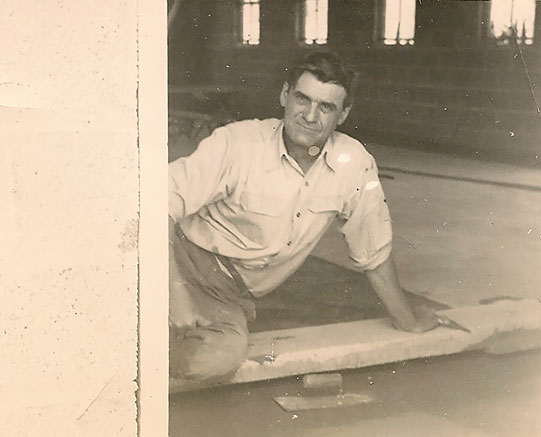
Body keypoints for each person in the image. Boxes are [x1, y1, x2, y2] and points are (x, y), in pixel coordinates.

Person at [168, 51, 438, 389]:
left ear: (343, 115)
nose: (310, 116)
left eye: (325, 107)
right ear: (284, 95)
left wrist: (407, 320)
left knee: (217, 360)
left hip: (227, 297)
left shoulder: (353, 163)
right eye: (302, 99)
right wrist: (173, 292)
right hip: (176, 261)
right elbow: (153, 205)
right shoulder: (237, 144)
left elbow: (374, 249)